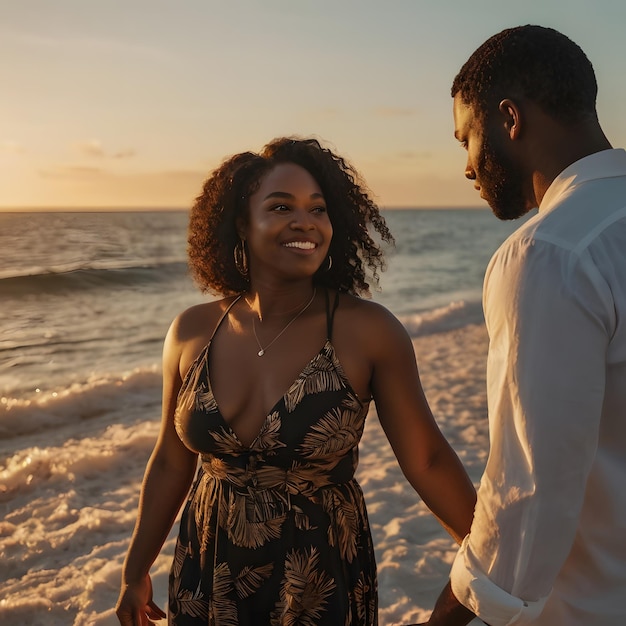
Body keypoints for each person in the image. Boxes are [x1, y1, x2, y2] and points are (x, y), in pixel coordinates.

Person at [115, 137, 477, 626]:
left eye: (318, 209)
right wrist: (135, 571)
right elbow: (170, 463)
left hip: (316, 572)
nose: (305, 221)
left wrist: (492, 555)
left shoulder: (367, 331)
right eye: (281, 206)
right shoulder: (192, 330)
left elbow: (428, 459)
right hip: (208, 566)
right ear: (241, 223)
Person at [409, 25, 626, 626]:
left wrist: (452, 612)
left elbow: (532, 487)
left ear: (509, 118)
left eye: (465, 139)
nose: (468, 167)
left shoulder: (550, 252)